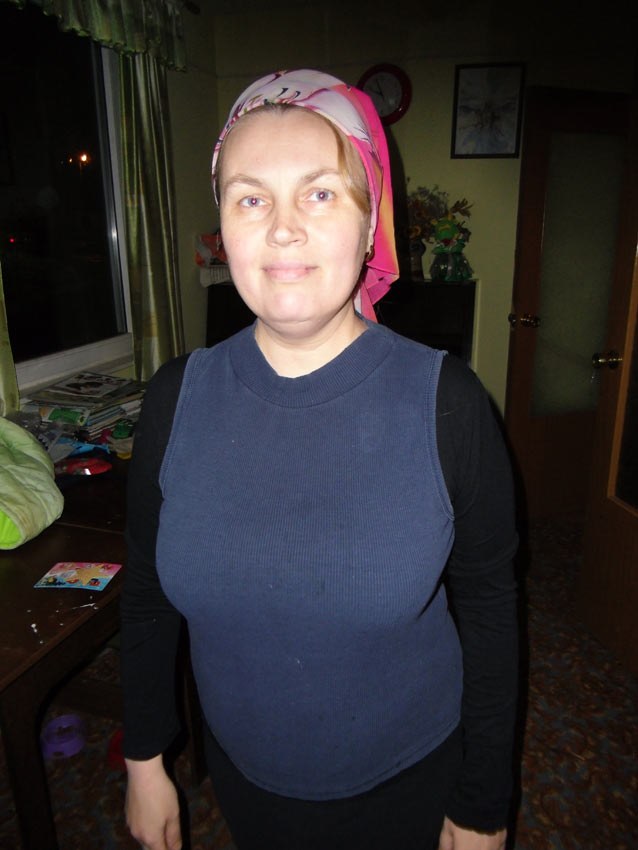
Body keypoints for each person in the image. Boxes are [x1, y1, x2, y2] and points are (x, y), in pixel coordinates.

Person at [121, 69, 518, 850]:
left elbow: (491, 607)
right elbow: (145, 594)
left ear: (371, 226)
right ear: (223, 227)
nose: (282, 230)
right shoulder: (174, 399)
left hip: (410, 783)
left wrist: (484, 803)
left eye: (321, 193)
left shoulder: (449, 403)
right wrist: (143, 759)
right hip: (244, 781)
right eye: (251, 199)